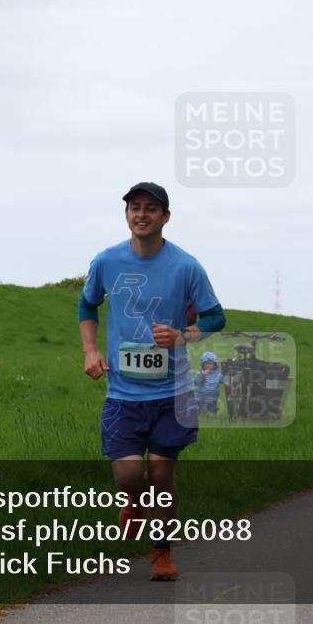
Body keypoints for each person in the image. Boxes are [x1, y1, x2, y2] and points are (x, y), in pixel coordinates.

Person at [79, 182, 226, 581]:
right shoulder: (107, 261)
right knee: (128, 475)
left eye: (151, 208)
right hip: (123, 394)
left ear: (165, 217)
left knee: (162, 475)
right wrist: (91, 351)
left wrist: (182, 335)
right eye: (134, 207)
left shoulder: (186, 266)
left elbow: (215, 318)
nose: (141, 214)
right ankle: (134, 500)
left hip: (173, 392)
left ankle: (161, 551)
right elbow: (87, 303)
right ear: (127, 214)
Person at [193, 351, 225, 416]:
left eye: (210, 364)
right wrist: (202, 374)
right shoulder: (200, 373)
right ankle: (201, 416)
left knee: (212, 412)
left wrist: (227, 375)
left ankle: (213, 418)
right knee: (201, 412)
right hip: (201, 398)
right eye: (206, 364)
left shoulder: (218, 375)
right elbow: (196, 382)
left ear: (214, 365)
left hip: (213, 399)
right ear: (202, 364)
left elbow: (223, 381)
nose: (208, 365)